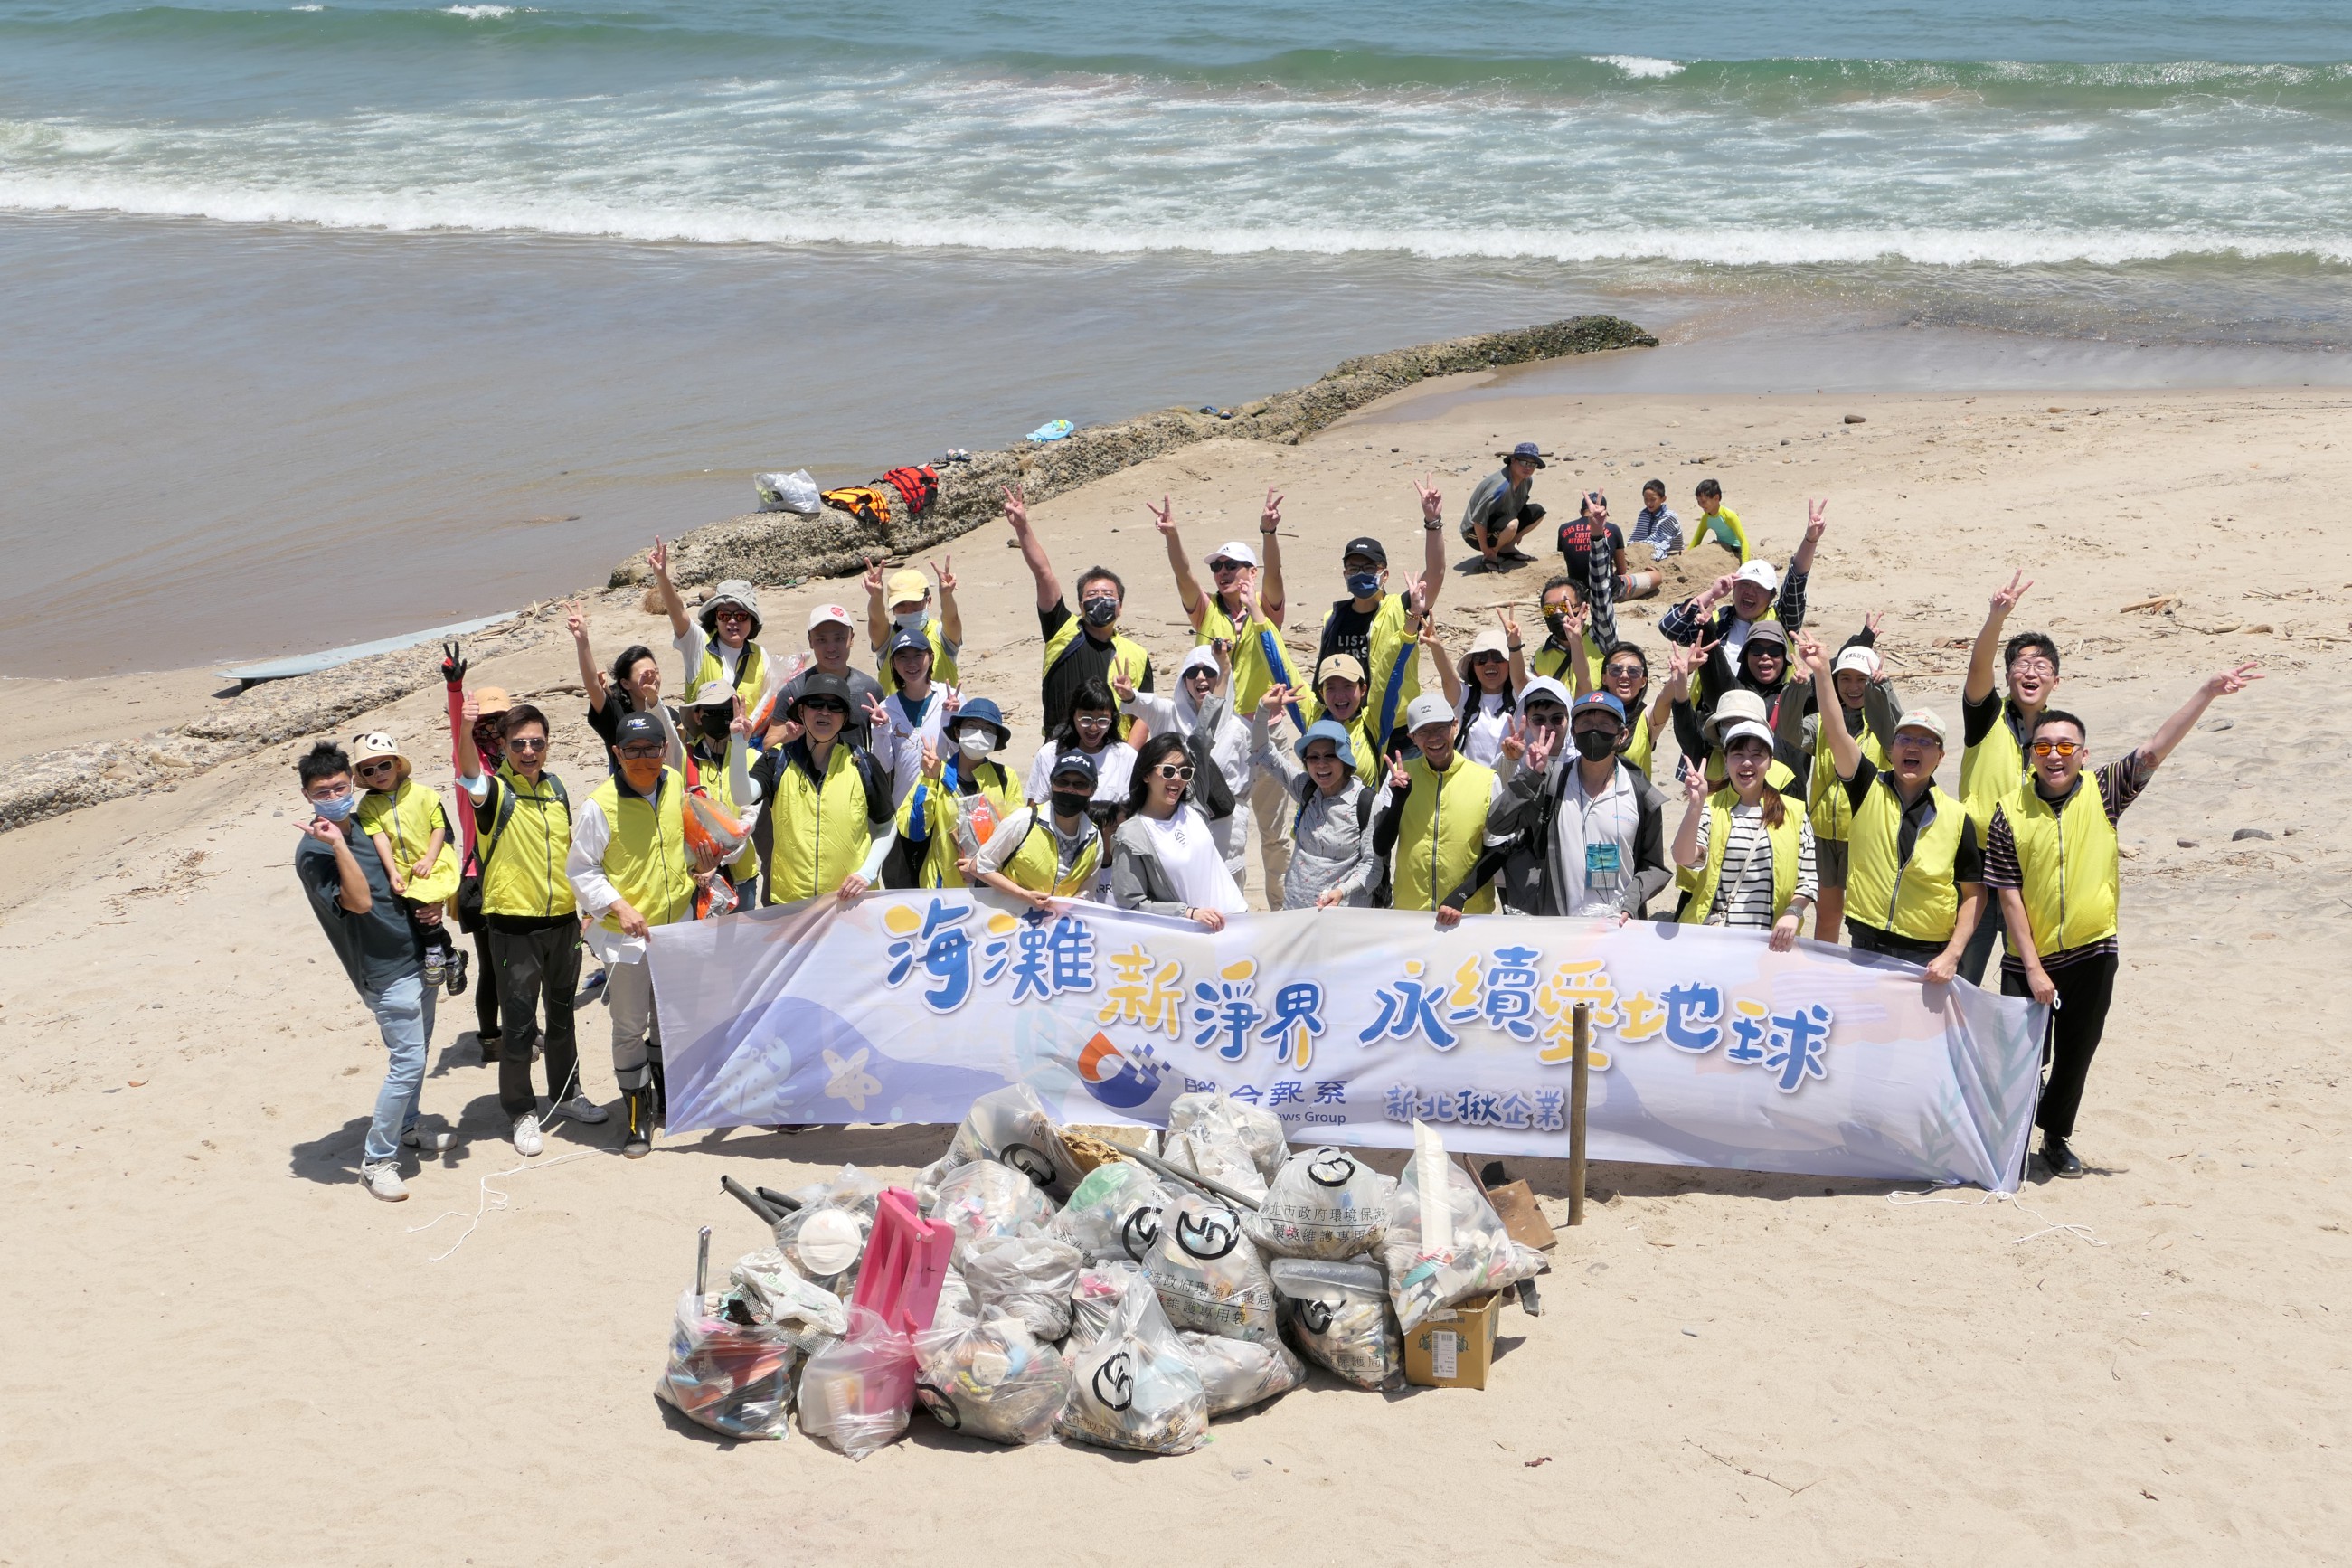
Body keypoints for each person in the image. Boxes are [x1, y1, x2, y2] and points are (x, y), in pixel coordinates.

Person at [1985, 664, 2260, 1178]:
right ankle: (2014, 1131)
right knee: (2021, 1057)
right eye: (2043, 746)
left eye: (2066, 747)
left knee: (2074, 1054)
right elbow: (2009, 897)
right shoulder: (2008, 811)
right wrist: (2035, 967)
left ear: (2082, 755)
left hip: (2092, 950)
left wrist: (2206, 691)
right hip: (2029, 958)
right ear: (2031, 755)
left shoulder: (2104, 791)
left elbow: (2155, 748)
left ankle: (2055, 1138)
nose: (2054, 755)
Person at [294, 741, 449, 1202]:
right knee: (408, 1064)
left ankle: (409, 1128)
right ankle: (377, 1160)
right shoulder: (314, 853)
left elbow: (408, 870)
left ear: (352, 782)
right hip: (382, 971)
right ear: (308, 796)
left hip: (416, 954)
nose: (334, 795)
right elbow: (359, 902)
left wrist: (432, 906)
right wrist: (338, 844)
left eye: (341, 785)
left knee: (419, 1050)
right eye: (323, 791)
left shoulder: (370, 820)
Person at [454, 696, 602, 1156]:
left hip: (562, 922)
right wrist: (464, 723)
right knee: (518, 1025)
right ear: (503, 747)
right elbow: (468, 772)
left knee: (562, 1018)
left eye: (536, 742)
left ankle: (566, 1094)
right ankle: (521, 1110)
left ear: (547, 745)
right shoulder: (494, 792)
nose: (529, 751)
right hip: (513, 926)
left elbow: (573, 857)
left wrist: (584, 909)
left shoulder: (557, 790)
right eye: (519, 743)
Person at [1799, 636, 1982, 983]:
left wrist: (1952, 954)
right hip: (1865, 943)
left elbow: (1974, 895)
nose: (1913, 747)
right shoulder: (1867, 786)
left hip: (1926, 954)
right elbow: (1837, 732)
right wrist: (1823, 672)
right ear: (1892, 747)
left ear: (1940, 756)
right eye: (1905, 739)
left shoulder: (1957, 818)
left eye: (1925, 741)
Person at [1152, 494, 1299, 893]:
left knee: (1273, 832)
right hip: (1217, 735)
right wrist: (1172, 535)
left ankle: (1280, 910)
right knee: (1221, 823)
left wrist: (1268, 531)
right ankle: (1227, 904)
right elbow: (1184, 575)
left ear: (1251, 571)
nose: (1221, 571)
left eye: (1230, 565)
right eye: (1217, 566)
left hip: (1265, 729)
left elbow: (1276, 578)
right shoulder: (1206, 611)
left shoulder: (1263, 609)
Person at [565, 708, 695, 1157]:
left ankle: (665, 1103)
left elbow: (681, 841)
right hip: (626, 939)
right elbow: (580, 870)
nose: (644, 759)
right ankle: (638, 1121)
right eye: (633, 751)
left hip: (675, 926)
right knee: (628, 1025)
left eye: (653, 749)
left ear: (665, 750)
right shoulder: (599, 806)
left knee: (666, 1019)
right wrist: (617, 905)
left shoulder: (675, 783)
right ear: (617, 753)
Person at [1444, 689, 1669, 922]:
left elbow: (1654, 866)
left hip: (1619, 927)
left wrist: (1630, 903)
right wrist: (1530, 777)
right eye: (1585, 723)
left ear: (1622, 735)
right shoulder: (1553, 780)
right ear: (1573, 731)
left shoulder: (1640, 793)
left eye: (1604, 724)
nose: (1594, 731)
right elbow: (1499, 824)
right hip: (1560, 925)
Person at [1955, 570, 2054, 985]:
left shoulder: (2059, 734)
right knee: (1962, 976)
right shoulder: (1986, 714)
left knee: (2023, 977)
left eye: (2041, 666)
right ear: (2009, 674)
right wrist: (1997, 617)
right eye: (2021, 664)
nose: (2030, 673)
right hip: (1975, 861)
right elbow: (1979, 666)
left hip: (2028, 867)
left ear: (2055, 680)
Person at [1307, 482, 1450, 757]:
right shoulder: (1333, 618)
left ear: (1385, 575)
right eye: (1354, 568)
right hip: (1352, 726)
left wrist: (1433, 522)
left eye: (1369, 567)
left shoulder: (1401, 606)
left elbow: (1437, 571)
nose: (1361, 573)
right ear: (1345, 574)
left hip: (1399, 728)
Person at [1000, 484, 1153, 740]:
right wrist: (1022, 527)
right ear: (1080, 605)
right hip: (1061, 748)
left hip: (1113, 753)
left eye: (1108, 596)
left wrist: (1127, 758)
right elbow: (1044, 574)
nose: (1100, 601)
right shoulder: (1062, 629)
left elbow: (1144, 717)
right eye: (1092, 596)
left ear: (1120, 606)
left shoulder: (1137, 655)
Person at [1659, 499, 1827, 718]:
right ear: (1734, 587)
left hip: (1769, 715)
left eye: (1758, 588)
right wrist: (1711, 593)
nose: (1749, 592)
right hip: (1712, 716)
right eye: (1744, 585)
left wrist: (1810, 539)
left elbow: (1797, 578)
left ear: (1771, 597)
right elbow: (1670, 627)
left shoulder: (1781, 621)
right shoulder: (1716, 620)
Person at [1784, 629, 1901, 940]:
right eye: (1845, 678)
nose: (1853, 687)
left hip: (1865, 835)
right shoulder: (1822, 723)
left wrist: (1884, 692)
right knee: (1827, 916)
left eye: (1861, 679)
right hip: (1824, 834)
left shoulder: (1882, 726)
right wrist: (1796, 690)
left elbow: (1896, 739)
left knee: (1865, 917)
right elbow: (1790, 732)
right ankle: (1825, 978)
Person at [755, 674, 898, 909]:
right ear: (801, 712)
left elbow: (888, 825)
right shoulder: (776, 761)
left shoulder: (864, 763)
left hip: (852, 906)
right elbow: (742, 796)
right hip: (791, 906)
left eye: (834, 707)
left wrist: (867, 873)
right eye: (815, 704)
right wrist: (738, 743)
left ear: (845, 719)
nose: (824, 712)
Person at [1671, 719, 1817, 947]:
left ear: (1770, 762)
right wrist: (1695, 806)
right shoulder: (1710, 806)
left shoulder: (1794, 812)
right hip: (1713, 938)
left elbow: (1807, 879)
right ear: (1726, 760)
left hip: (1769, 942)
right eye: (1737, 754)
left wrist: (1793, 912)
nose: (1747, 763)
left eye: (1757, 755)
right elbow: (1684, 857)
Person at [1119, 646, 1250, 883]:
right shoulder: (1170, 715)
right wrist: (1130, 695)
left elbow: (1248, 778)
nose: (1200, 678)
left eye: (1209, 671)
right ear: (1184, 681)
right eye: (1192, 673)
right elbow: (1144, 704)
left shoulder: (1239, 729)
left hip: (1226, 827)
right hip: (1178, 824)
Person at [1373, 694, 1507, 921]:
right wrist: (1398, 801)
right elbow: (1381, 847)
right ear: (1412, 737)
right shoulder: (1399, 776)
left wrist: (1461, 895)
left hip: (1467, 915)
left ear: (1455, 725)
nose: (1434, 738)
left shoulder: (1486, 780)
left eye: (1440, 728)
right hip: (1411, 913)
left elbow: (1498, 849)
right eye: (1423, 731)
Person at [349, 732, 465, 993]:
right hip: (402, 866)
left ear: (397, 764)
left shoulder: (424, 794)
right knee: (415, 910)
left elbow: (439, 830)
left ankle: (434, 951)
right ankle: (451, 956)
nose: (378, 773)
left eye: (384, 765)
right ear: (363, 776)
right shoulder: (368, 806)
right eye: (369, 770)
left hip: (434, 859)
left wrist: (429, 859)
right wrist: (391, 872)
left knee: (423, 900)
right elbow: (379, 838)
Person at [1250, 694, 1381, 910]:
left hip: (1343, 921)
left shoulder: (1365, 802)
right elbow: (1263, 751)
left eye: (1330, 756)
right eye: (1313, 757)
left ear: (1344, 759)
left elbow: (1372, 866)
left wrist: (1341, 892)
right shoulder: (1305, 787)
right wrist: (1263, 709)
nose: (1321, 765)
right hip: (1296, 914)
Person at [1110, 733, 1248, 929]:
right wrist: (1188, 913)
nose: (1177, 778)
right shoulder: (1131, 835)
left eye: (1184, 772)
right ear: (1146, 775)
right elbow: (1131, 904)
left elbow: (1203, 736)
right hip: (1194, 937)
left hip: (1237, 919)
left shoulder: (1193, 806)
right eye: (1168, 771)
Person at [899, 698, 1023, 890]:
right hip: (943, 888)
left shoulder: (1006, 777)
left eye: (988, 729)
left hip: (991, 886)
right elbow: (914, 830)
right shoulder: (936, 774)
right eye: (972, 726)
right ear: (958, 732)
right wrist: (929, 780)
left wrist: (980, 867)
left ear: (995, 739)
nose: (979, 734)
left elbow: (1016, 834)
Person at [968, 750, 1107, 911]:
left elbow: (1086, 891)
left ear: (1092, 789)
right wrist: (1024, 895)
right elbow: (979, 867)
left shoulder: (1095, 838)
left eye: (1080, 784)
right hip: (1008, 925)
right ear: (1052, 783)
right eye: (1062, 782)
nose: (1070, 789)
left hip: (1055, 929)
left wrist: (1072, 903)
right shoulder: (1023, 820)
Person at [648, 537, 770, 709]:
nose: (733, 621)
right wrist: (662, 577)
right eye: (725, 615)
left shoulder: (760, 656)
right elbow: (678, 613)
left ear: (752, 619)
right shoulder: (698, 646)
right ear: (716, 618)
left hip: (747, 736)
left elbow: (767, 704)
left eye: (741, 616)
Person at [681, 685, 762, 907]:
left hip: (741, 874)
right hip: (694, 876)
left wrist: (717, 862)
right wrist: (701, 867)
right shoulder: (683, 758)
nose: (720, 718)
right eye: (711, 711)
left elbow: (749, 820)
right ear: (698, 716)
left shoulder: (753, 758)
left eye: (727, 711)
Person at [571, 600, 677, 761]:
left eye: (655, 672)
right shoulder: (616, 715)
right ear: (625, 683)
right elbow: (592, 685)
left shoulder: (670, 715)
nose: (652, 678)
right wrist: (582, 640)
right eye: (644, 674)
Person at [868, 626, 952, 811]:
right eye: (902, 657)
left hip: (946, 806)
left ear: (931, 658)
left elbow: (961, 753)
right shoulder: (886, 709)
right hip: (905, 810)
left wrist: (952, 717)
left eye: (917, 655)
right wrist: (880, 731)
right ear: (894, 665)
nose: (911, 663)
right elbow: (884, 765)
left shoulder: (950, 699)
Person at [1026, 676, 1135, 817]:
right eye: (1086, 719)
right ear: (1073, 716)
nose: (1094, 728)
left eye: (1102, 720)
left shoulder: (1126, 756)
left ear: (1111, 720)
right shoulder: (1049, 754)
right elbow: (1034, 809)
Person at [863, 558, 962, 695]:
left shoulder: (941, 635)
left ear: (929, 601)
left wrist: (946, 595)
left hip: (942, 714)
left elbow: (952, 619)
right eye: (901, 604)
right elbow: (876, 621)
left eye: (915, 603)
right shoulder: (886, 639)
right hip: (895, 715)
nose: (908, 610)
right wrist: (875, 597)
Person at [1299, 653, 1383, 788]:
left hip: (1361, 808)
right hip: (1314, 808)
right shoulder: (1314, 715)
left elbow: (1389, 675)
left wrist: (1406, 637)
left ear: (1363, 689)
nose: (1339, 695)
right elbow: (1285, 668)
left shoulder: (1372, 720)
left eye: (1348, 686)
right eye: (1331, 688)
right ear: (1321, 692)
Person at [1459, 441, 1545, 571]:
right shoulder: (1499, 486)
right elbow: (1478, 520)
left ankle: (1507, 548)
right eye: (1524, 463)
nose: (1528, 468)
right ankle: (1491, 555)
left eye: (1533, 464)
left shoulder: (1527, 480)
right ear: (1513, 461)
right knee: (1512, 524)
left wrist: (1516, 535)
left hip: (1499, 520)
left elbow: (1518, 506)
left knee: (1538, 511)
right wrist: (1485, 550)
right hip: (1473, 533)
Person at [1453, 616, 1526, 769]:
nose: (1490, 663)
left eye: (1498, 657)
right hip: (1474, 788)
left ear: (1509, 663)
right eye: (1481, 658)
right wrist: (1436, 646)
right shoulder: (1465, 697)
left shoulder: (1519, 697)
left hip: (1511, 787)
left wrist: (1514, 646)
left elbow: (1519, 679)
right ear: (1473, 666)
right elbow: (1448, 679)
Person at [1688, 477, 1751, 561]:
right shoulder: (1706, 518)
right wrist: (1686, 554)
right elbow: (1696, 541)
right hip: (1721, 548)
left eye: (1703, 501)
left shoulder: (1729, 516)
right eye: (1698, 501)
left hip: (1736, 550)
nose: (1701, 505)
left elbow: (1744, 541)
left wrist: (1744, 564)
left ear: (1716, 498)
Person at [1628, 478, 1684, 560]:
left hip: (1670, 554)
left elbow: (1663, 544)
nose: (1649, 503)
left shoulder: (1669, 517)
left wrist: (1643, 549)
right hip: (1648, 548)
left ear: (1663, 499)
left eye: (1652, 500)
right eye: (1646, 499)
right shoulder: (1643, 514)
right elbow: (1636, 538)